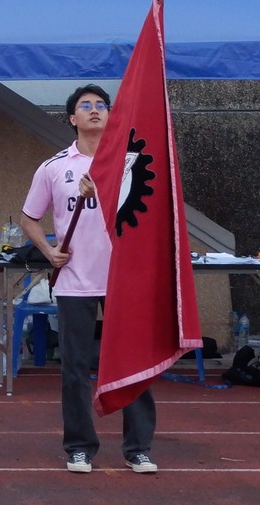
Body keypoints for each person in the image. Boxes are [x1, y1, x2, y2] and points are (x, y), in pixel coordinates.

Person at [18, 84, 158, 475]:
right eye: (85, 105)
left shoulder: (132, 163)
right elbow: (29, 217)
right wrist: (49, 251)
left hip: (123, 281)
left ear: (111, 116)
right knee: (75, 368)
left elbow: (149, 215)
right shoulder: (54, 167)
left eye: (101, 105)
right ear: (72, 118)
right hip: (75, 281)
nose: (95, 110)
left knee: (133, 364)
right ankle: (79, 447)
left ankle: (138, 448)